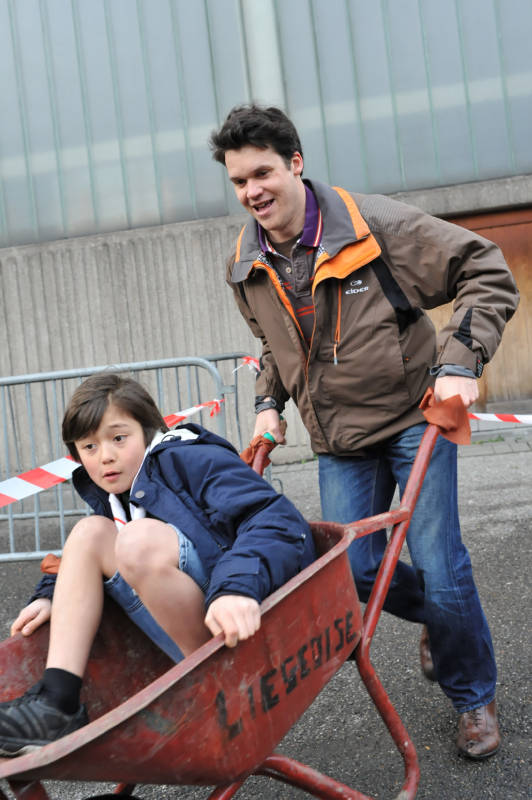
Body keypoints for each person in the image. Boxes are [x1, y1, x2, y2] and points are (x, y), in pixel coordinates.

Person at [209, 104, 519, 759]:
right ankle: (443, 619)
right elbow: (275, 342)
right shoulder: (244, 261)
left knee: (439, 564)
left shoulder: (375, 227)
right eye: (239, 181)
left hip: (414, 417)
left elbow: (486, 270)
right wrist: (268, 402)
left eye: (262, 173)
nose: (252, 191)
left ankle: (473, 696)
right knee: (352, 566)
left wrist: (460, 362)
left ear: (295, 163)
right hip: (338, 438)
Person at [0, 372, 315, 756]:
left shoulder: (190, 458)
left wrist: (237, 588)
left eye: (118, 438)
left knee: (137, 540)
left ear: (147, 430)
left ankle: (216, 684)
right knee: (89, 532)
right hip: (191, 621)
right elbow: (92, 548)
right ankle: (57, 703)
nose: (105, 456)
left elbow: (274, 519)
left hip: (235, 623)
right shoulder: (113, 490)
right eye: (89, 446)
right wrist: (53, 594)